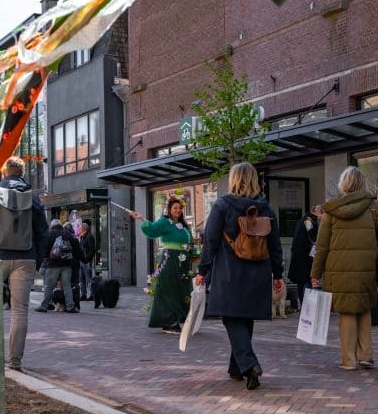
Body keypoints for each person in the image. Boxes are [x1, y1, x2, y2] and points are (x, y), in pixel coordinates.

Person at [195, 163, 283, 390]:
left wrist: (202, 271)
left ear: (234, 179)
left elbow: (211, 241)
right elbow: (275, 245)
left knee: (231, 317)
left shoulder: (223, 205)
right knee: (245, 317)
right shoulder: (266, 208)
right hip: (259, 272)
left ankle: (249, 364)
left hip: (230, 272)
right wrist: (278, 273)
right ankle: (237, 369)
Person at [310, 168, 378, 371]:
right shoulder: (374, 206)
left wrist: (315, 274)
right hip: (366, 267)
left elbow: (322, 246)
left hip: (339, 269)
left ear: (344, 184)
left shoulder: (331, 210)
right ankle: (366, 356)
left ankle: (348, 360)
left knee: (347, 312)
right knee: (364, 308)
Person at [0, 156, 50, 369]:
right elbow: (43, 232)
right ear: (22, 173)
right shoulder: (33, 197)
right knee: (19, 311)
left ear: (4, 172)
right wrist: (38, 257)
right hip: (26, 256)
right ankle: (14, 361)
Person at [129, 195, 194, 333]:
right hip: (170, 258)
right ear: (169, 210)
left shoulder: (183, 225)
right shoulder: (165, 222)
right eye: (175, 208)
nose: (178, 210)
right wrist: (141, 218)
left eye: (180, 208)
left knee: (181, 289)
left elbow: (189, 241)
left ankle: (178, 318)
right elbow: (152, 230)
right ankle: (168, 321)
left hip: (182, 260)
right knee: (169, 289)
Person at [35, 219, 82, 314]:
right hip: (67, 265)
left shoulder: (49, 234)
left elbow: (44, 249)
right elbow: (77, 248)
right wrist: (83, 260)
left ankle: (44, 306)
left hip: (53, 264)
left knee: (49, 286)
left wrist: (41, 260)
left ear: (52, 226)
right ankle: (70, 306)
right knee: (67, 286)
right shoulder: (68, 234)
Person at [287, 204, 322, 310]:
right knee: (307, 280)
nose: (322, 217)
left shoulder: (304, 219)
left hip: (299, 257)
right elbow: (311, 237)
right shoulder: (309, 221)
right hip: (305, 257)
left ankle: (304, 305)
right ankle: (307, 306)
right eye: (323, 214)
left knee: (301, 282)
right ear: (318, 212)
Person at [78, 221, 96, 301]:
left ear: (84, 228)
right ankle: (84, 294)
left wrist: (87, 260)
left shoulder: (89, 237)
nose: (78, 229)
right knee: (82, 279)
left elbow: (92, 250)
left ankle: (92, 294)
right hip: (81, 261)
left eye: (80, 227)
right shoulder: (82, 237)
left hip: (86, 261)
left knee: (89, 278)